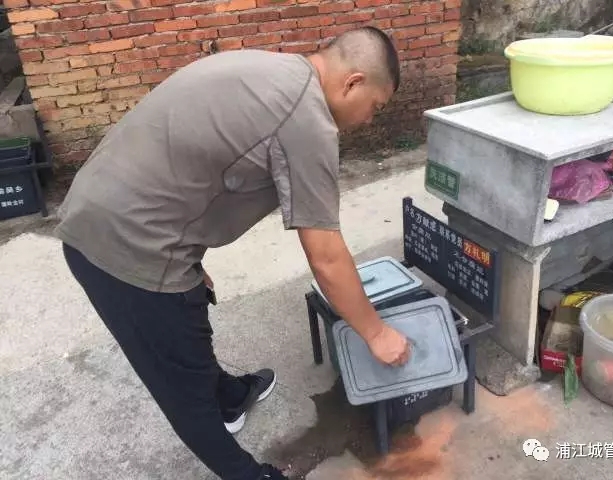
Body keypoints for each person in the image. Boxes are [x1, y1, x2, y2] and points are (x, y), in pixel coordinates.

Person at [54, 26, 411, 480]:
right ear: (353, 82)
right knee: (182, 386)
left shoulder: (275, 69)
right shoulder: (307, 120)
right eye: (375, 107)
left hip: (110, 208)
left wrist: (190, 256)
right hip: (123, 245)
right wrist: (377, 334)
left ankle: (227, 395)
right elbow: (325, 255)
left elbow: (191, 160)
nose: (369, 121)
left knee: (188, 317)